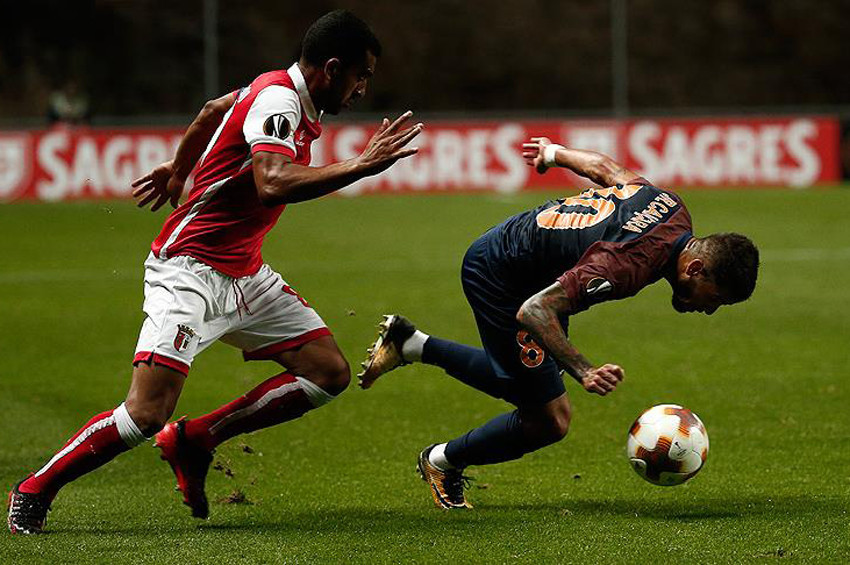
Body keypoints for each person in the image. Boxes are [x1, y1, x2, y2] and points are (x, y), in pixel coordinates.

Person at [8, 9, 423, 534]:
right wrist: (360, 166)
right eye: (361, 75)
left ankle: (197, 438)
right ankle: (34, 489)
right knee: (146, 413)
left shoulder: (276, 91)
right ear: (332, 68)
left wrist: (179, 168)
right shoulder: (278, 102)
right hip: (190, 272)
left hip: (245, 274)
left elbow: (212, 110)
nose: (363, 88)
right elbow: (272, 182)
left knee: (327, 372)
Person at [358, 137, 759, 509]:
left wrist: (554, 154)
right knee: (549, 420)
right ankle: (442, 461)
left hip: (528, 265)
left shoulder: (672, 208)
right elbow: (534, 311)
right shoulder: (627, 266)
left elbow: (607, 169)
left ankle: (411, 344)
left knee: (536, 385)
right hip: (502, 278)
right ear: (695, 268)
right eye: (715, 299)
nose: (710, 310)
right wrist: (585, 370)